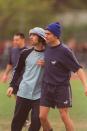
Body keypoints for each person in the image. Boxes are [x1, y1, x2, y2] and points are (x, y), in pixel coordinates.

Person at [39, 22, 87, 131]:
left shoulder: (65, 51)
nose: (45, 36)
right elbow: (53, 62)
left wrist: (85, 85)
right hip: (46, 86)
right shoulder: (45, 47)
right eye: (45, 33)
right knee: (42, 117)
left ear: (56, 35)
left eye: (48, 34)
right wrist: (45, 63)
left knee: (64, 116)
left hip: (61, 87)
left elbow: (78, 69)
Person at [7, 27, 46, 131]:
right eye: (30, 35)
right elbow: (17, 71)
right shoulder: (25, 53)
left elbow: (58, 69)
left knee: (36, 122)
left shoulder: (49, 55)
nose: (31, 37)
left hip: (39, 95)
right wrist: (12, 86)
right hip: (23, 92)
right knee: (17, 123)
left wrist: (47, 65)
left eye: (34, 35)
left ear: (41, 38)